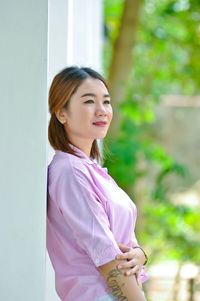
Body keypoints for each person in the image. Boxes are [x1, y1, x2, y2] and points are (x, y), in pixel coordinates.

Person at [47, 66, 148, 301]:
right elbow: (105, 257)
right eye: (89, 101)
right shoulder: (70, 171)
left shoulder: (90, 170)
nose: (102, 111)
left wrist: (140, 254)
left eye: (106, 101)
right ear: (62, 112)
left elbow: (122, 244)